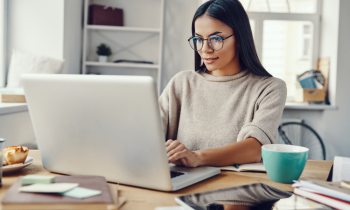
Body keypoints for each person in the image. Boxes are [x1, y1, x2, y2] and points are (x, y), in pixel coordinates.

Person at [159, 0, 287, 168]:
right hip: (182, 186)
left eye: (216, 38)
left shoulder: (269, 88)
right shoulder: (181, 83)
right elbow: (150, 133)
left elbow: (255, 148)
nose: (205, 49)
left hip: (235, 189)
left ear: (240, 37)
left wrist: (197, 157)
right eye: (199, 39)